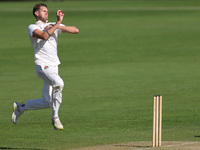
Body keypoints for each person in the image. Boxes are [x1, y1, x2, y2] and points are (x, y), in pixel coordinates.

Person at [11, 3, 79, 130]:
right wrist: (57, 25)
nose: (46, 12)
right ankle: (55, 118)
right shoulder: (32, 27)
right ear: (37, 13)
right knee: (59, 83)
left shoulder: (53, 24)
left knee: (48, 101)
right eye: (43, 11)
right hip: (42, 65)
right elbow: (44, 36)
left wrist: (56, 24)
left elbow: (75, 30)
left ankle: (21, 107)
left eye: (47, 11)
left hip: (54, 65)